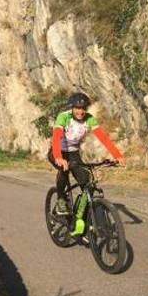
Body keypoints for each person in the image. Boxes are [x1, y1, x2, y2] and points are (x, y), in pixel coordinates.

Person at [47, 92, 125, 236]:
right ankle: (60, 201)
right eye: (77, 108)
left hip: (73, 153)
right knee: (64, 170)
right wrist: (58, 157)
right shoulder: (64, 117)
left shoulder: (89, 119)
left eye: (83, 108)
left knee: (86, 182)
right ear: (72, 107)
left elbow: (103, 138)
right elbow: (56, 138)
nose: (80, 111)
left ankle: (81, 219)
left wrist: (117, 155)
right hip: (57, 152)